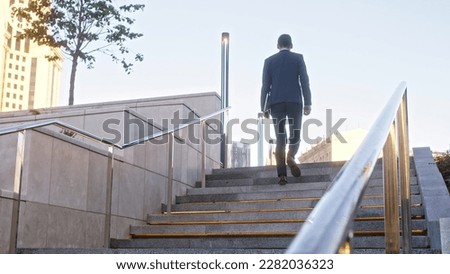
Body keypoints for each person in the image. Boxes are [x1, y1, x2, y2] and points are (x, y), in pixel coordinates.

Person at [260, 34, 312, 185]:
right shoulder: (298, 59)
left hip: (275, 102)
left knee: (280, 137)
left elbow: (265, 86)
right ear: (291, 45)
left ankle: (282, 175)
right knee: (295, 133)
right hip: (295, 101)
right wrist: (308, 102)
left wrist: (263, 106)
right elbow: (304, 81)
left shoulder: (269, 61)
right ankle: (291, 156)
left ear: (277, 45)